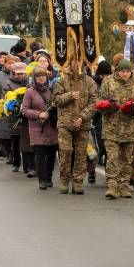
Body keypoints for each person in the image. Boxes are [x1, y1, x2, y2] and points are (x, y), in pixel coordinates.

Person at [99, 59, 134, 199]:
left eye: (127, 71)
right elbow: (100, 101)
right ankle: (112, 185)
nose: (125, 74)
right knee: (113, 157)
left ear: (131, 71)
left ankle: (124, 185)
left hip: (129, 128)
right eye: (122, 71)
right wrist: (107, 107)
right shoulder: (108, 82)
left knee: (125, 158)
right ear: (117, 71)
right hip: (111, 127)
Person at [52, 61, 98, 194]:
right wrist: (70, 95)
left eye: (79, 63)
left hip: (83, 124)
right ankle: (64, 180)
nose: (77, 65)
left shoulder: (90, 81)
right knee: (66, 152)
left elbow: (94, 103)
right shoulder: (62, 80)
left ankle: (78, 182)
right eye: (74, 63)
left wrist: (82, 117)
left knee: (81, 154)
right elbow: (56, 100)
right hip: (65, 124)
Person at [21, 67, 58, 190]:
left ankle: (49, 177)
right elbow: (24, 110)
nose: (41, 78)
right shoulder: (29, 92)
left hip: (52, 128)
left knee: (52, 155)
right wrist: (38, 114)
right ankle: (41, 179)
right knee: (40, 155)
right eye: (38, 76)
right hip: (37, 129)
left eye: (43, 76)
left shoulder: (52, 90)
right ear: (34, 78)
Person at [1, 62, 29, 171]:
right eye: (18, 74)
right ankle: (16, 162)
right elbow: (7, 100)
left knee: (27, 141)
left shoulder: (29, 83)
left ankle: (27, 165)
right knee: (16, 140)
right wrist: (15, 107)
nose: (21, 76)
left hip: (26, 116)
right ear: (13, 73)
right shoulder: (8, 84)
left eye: (23, 73)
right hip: (14, 117)